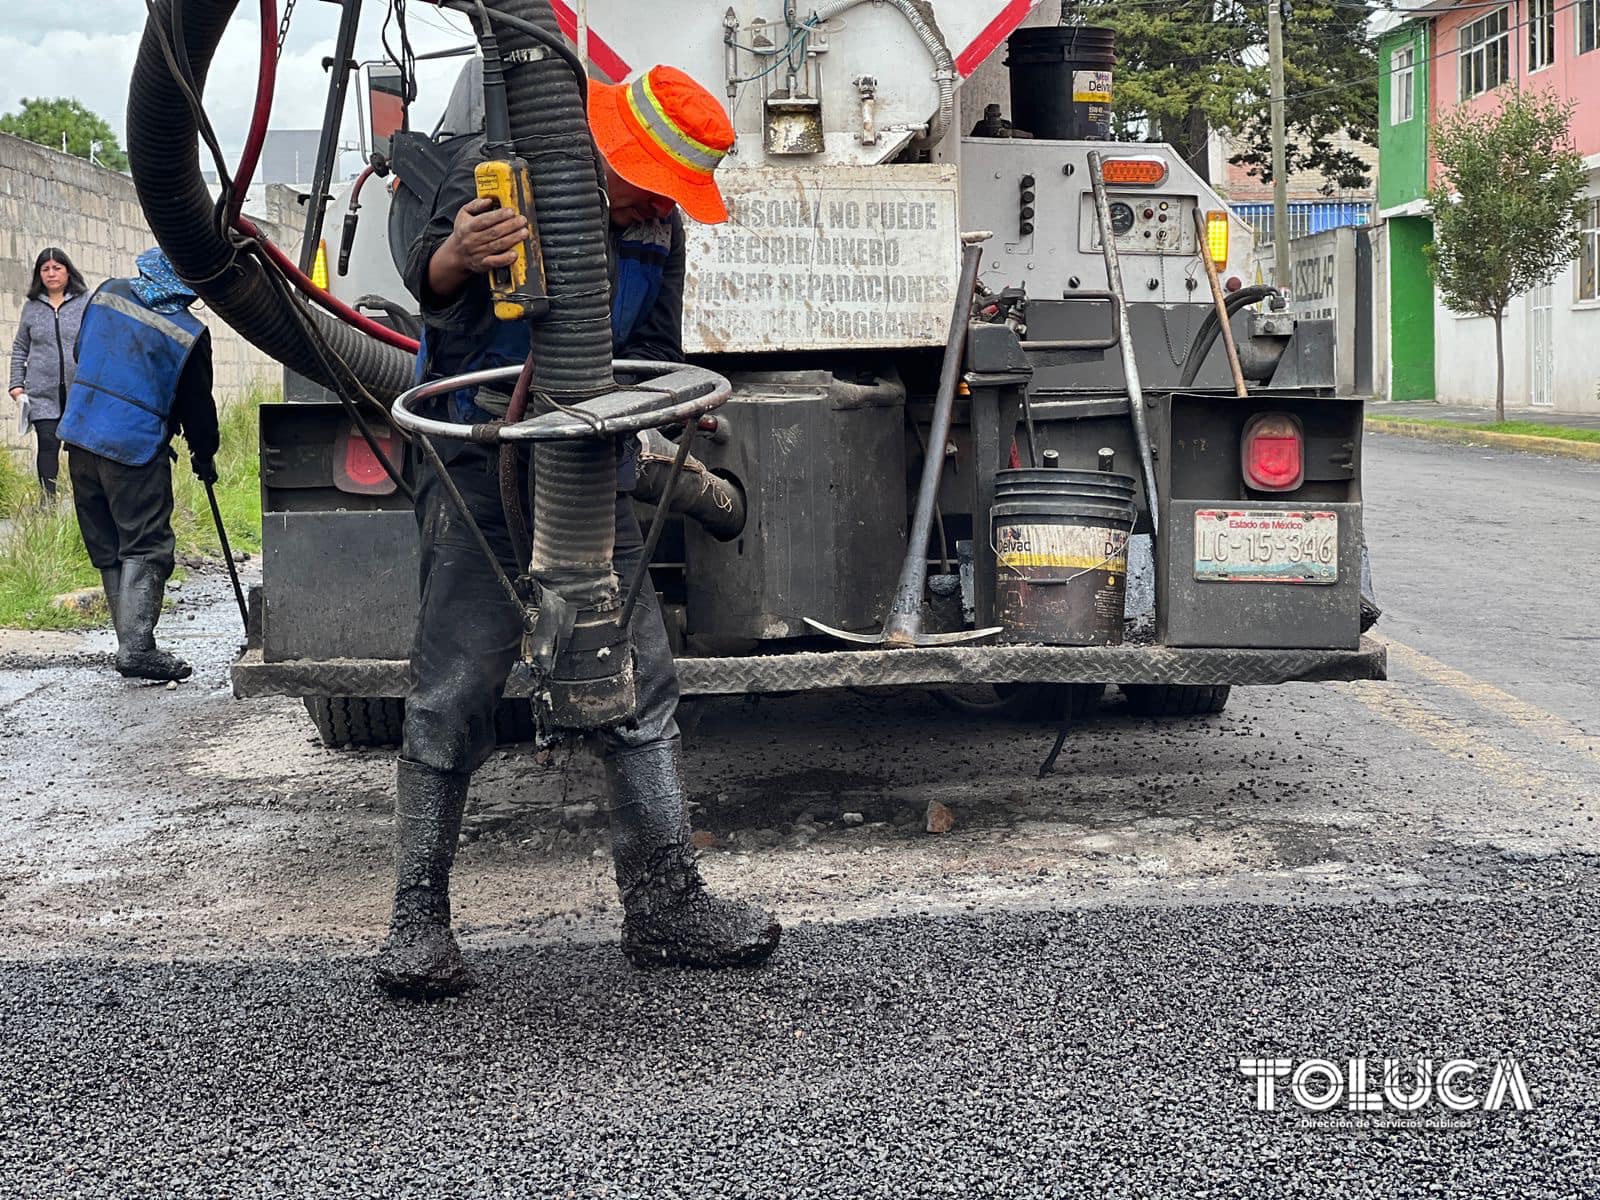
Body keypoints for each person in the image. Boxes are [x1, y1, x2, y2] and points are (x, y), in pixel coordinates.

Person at [379, 64, 779, 1000]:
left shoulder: (656, 228)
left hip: (589, 474)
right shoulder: (497, 176)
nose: (657, 210)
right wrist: (457, 257)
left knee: (639, 680)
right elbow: (426, 286)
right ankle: (416, 923)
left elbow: (659, 351)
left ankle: (666, 906)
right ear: (617, 155)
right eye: (654, 188)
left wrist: (672, 411)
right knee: (453, 688)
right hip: (488, 461)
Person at [57, 249, 219, 683]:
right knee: (145, 544)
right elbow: (197, 407)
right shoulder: (188, 333)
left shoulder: (107, 293)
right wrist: (205, 454)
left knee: (109, 545)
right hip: (132, 449)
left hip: (80, 436)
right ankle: (137, 648)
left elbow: (80, 351)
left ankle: (127, 642)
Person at [9, 248, 91, 500]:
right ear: (39, 274)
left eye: (57, 268)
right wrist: (16, 384)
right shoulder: (32, 308)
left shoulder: (85, 302)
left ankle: (85, 500)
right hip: (42, 392)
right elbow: (21, 346)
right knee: (47, 444)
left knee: (81, 449)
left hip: (80, 389)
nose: (51, 273)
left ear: (68, 271)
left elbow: (98, 338)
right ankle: (48, 501)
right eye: (45, 269)